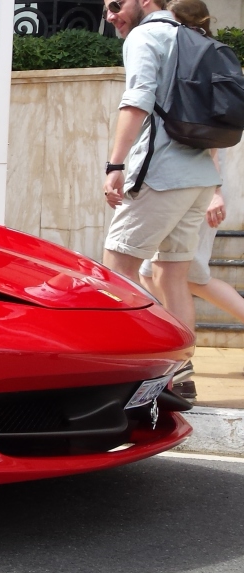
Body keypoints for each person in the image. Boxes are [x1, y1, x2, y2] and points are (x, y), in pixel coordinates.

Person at [102, 0, 222, 348]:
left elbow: (137, 100)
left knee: (118, 272)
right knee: (171, 277)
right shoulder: (190, 35)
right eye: (105, 10)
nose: (110, 16)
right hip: (198, 176)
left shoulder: (144, 36)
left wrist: (116, 165)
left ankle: (132, 366)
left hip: (161, 173)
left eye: (115, 4)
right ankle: (179, 373)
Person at [134, 0, 232, 401]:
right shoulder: (200, 56)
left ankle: (175, 364)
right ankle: (180, 364)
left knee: (189, 276)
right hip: (199, 183)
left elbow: (206, 140)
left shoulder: (186, 56)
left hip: (192, 184)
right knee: (161, 273)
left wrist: (217, 192)